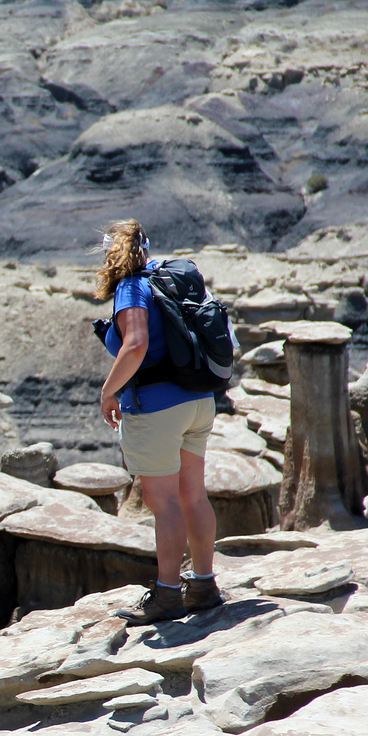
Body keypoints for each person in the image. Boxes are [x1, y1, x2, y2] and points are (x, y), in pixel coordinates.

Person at [94, 219, 223, 625]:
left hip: (158, 408)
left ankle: (167, 594)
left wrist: (108, 391)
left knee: (163, 502)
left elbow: (135, 345)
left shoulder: (132, 287)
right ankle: (203, 585)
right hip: (199, 401)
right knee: (193, 496)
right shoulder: (171, 279)